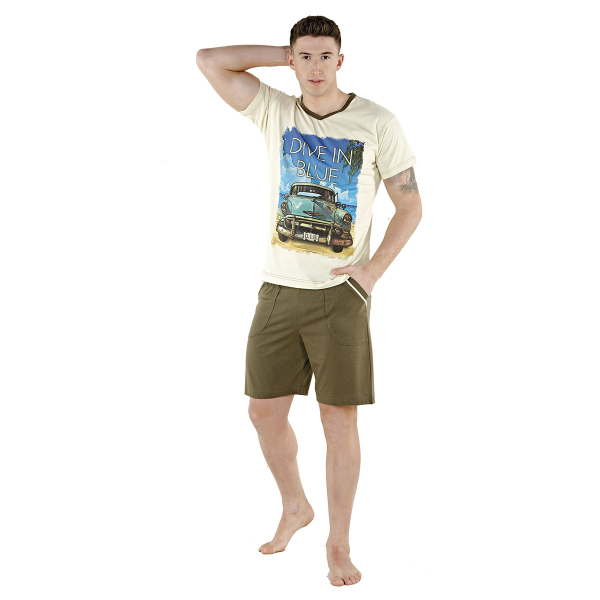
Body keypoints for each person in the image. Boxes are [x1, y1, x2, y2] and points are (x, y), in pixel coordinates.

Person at [196, 15, 422, 587]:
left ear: (341, 61)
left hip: (341, 294)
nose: (316, 67)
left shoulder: (377, 121)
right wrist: (284, 54)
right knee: (263, 412)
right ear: (292, 60)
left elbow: (411, 206)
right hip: (277, 288)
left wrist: (371, 273)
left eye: (326, 56)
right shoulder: (276, 111)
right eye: (305, 56)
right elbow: (209, 60)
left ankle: (338, 543)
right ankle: (295, 505)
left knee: (337, 419)